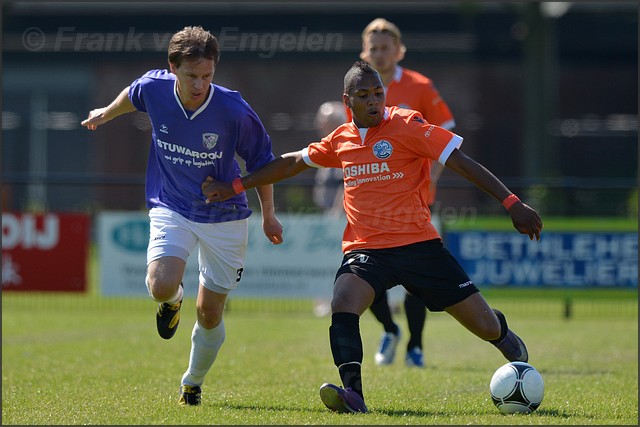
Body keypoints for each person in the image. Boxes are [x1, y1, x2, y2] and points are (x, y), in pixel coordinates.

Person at [201, 60, 543, 413]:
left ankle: (501, 333)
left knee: (484, 325)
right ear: (347, 100)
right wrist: (234, 186)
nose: (374, 101)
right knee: (343, 300)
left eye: (378, 93)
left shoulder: (408, 125)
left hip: (419, 246)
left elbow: (461, 162)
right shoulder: (341, 139)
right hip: (367, 251)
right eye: (363, 96)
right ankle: (353, 394)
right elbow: (290, 163)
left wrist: (512, 202)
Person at [81, 26, 283, 406]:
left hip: (224, 216)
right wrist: (106, 113)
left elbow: (263, 164)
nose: (200, 85)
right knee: (159, 283)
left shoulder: (233, 110)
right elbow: (133, 96)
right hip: (172, 205)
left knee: (209, 313)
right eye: (192, 76)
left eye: (207, 76)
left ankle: (192, 380)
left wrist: (269, 215)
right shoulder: (154, 88)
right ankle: (171, 301)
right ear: (172, 67)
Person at [358, 17, 458, 368]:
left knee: (418, 280)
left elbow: (446, 132)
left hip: (414, 203)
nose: (380, 54)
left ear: (399, 51)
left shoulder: (419, 86)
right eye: (374, 48)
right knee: (363, 275)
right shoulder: (357, 88)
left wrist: (431, 177)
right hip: (371, 208)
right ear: (364, 52)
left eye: (386, 48)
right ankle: (390, 329)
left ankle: (416, 345)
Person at [312, 101, 348, 218]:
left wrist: (336, 215)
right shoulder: (325, 150)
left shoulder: (346, 151)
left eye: (323, 122)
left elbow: (346, 186)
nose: (318, 125)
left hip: (340, 218)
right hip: (327, 215)